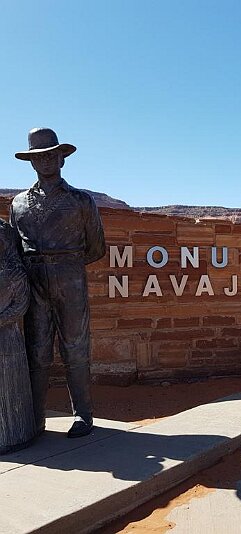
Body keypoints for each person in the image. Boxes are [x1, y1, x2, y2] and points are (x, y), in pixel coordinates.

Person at [10, 127, 106, 438]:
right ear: (31, 162)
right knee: (36, 351)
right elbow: (14, 249)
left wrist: (67, 265)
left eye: (52, 155)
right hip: (34, 283)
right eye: (39, 157)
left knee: (75, 349)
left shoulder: (80, 201)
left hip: (70, 280)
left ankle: (83, 416)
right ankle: (35, 418)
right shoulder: (18, 204)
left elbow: (96, 247)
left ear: (62, 159)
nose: (46, 161)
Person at [0, 219, 36, 454]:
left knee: (10, 389)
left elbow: (20, 306)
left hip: (8, 340)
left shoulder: (15, 273)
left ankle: (15, 434)